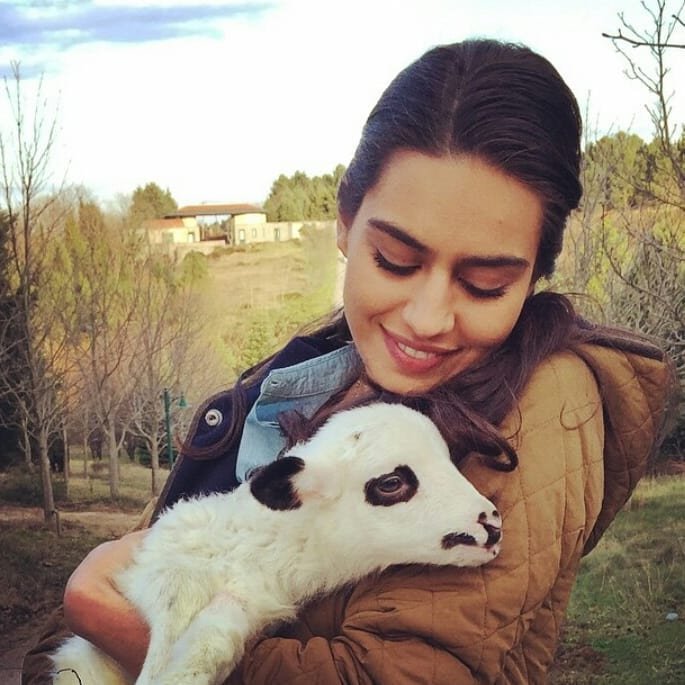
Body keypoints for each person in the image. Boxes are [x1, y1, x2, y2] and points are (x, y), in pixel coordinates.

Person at [23, 38, 674, 684]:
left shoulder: (546, 401)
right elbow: (85, 613)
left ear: (534, 276)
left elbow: (410, 674)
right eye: (394, 261)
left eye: (483, 285)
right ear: (344, 222)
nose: (427, 317)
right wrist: (86, 619)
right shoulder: (290, 386)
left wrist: (137, 635)